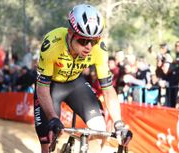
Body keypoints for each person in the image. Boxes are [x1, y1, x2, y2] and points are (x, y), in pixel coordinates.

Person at [34, 4, 132, 153]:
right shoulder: (52, 44)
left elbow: (108, 89)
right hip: (50, 87)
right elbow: (42, 87)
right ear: (70, 33)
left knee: (99, 130)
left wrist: (118, 123)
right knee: (47, 139)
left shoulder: (98, 50)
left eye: (93, 41)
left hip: (75, 84)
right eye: (83, 41)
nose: (88, 47)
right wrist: (53, 118)